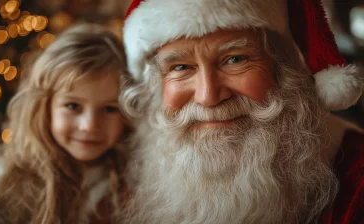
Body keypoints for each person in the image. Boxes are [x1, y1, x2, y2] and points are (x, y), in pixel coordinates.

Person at [119, 0, 364, 223]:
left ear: (284, 68)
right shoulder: (126, 177)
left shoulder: (357, 179)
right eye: (181, 67)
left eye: (235, 59)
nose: (208, 97)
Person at [0, 23, 130, 224]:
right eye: (72, 106)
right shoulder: (4, 193)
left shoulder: (136, 183)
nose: (89, 125)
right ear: (44, 108)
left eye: (109, 109)